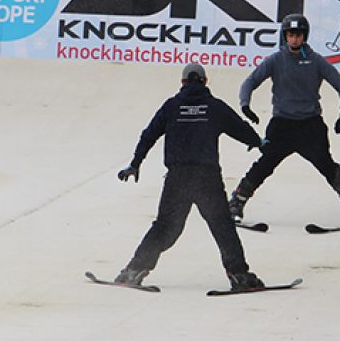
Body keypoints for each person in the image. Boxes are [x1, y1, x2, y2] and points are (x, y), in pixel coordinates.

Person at [113, 62, 265, 290]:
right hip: (207, 177)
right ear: (204, 82)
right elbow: (239, 127)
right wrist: (258, 142)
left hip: (178, 177)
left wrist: (135, 163)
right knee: (222, 226)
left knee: (165, 227)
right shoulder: (214, 107)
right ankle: (239, 275)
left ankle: (133, 272)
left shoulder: (172, 106)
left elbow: (149, 134)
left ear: (183, 82)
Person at [228, 13, 340, 227]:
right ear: (285, 36)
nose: (294, 39)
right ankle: (236, 203)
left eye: (298, 35)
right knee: (264, 164)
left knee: (327, 166)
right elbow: (250, 82)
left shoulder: (316, 62)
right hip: (282, 126)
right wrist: (245, 106)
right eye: (290, 35)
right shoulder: (276, 60)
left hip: (310, 126)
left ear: (304, 36)